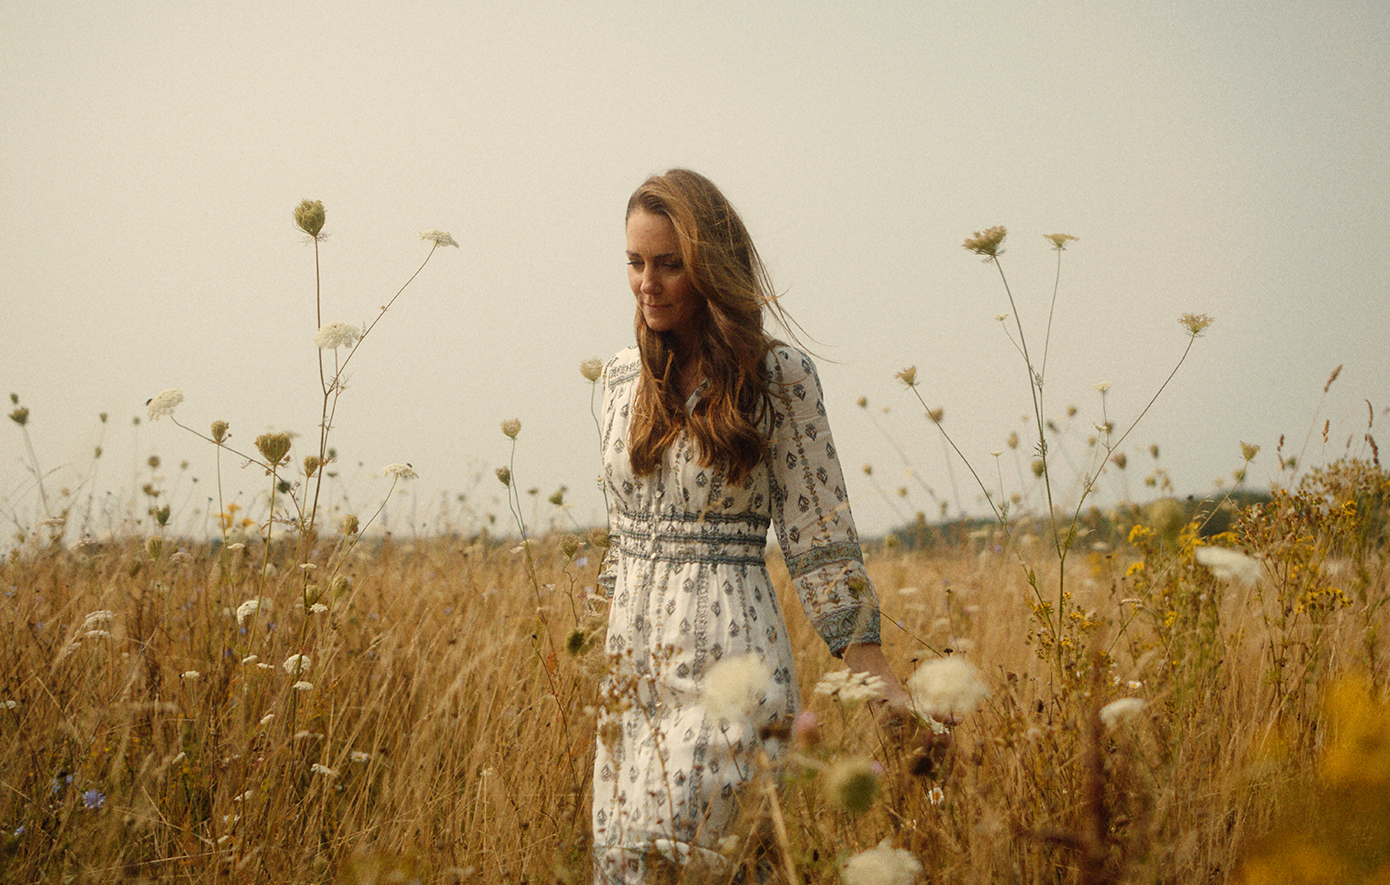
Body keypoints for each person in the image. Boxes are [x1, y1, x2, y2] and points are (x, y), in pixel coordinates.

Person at [593, 169, 915, 883]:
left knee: (702, 861)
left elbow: (820, 536)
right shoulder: (616, 380)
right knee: (626, 863)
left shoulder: (779, 377)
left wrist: (879, 683)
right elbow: (620, 538)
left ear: (711, 268)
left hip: (732, 662)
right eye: (635, 262)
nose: (647, 283)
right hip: (633, 673)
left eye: (669, 264)